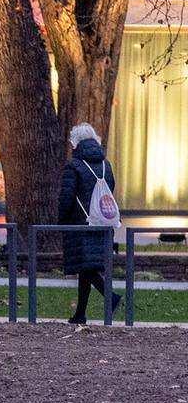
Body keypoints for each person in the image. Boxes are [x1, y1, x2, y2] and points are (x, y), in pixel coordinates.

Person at [58, 123, 121, 324]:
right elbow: (110, 189)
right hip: (102, 221)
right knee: (87, 267)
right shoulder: (106, 164)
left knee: (86, 268)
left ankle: (111, 297)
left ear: (75, 143)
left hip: (81, 222)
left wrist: (61, 220)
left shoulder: (73, 166)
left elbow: (67, 196)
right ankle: (80, 314)